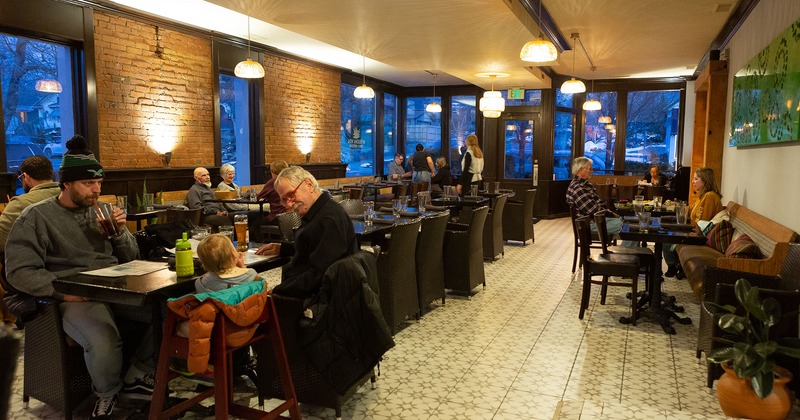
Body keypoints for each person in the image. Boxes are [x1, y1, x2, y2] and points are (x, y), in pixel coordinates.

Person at [4, 135, 151, 419]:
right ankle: (107, 397)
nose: (96, 190)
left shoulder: (104, 210)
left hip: (115, 287)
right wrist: (62, 292)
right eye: (88, 183)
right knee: (103, 337)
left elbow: (131, 257)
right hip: (75, 294)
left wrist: (119, 234)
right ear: (67, 183)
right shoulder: (36, 217)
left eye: (99, 183)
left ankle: (138, 374)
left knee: (169, 311)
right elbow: (19, 272)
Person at [255, 166, 357, 298]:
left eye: (291, 195)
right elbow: (315, 248)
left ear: (309, 185)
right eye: (284, 200)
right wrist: (283, 248)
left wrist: (278, 290)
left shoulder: (327, 219)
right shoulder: (320, 211)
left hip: (318, 300)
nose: (289, 205)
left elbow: (318, 276)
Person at [0, 156, 61, 325]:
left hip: (34, 272)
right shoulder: (67, 196)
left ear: (26, 177)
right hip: (65, 267)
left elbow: (1, 242)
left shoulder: (22, 203)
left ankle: (7, 321)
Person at [664, 167, 723, 279]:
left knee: (666, 238)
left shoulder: (710, 197)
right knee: (667, 233)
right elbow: (691, 210)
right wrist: (677, 205)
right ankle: (677, 266)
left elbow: (703, 221)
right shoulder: (702, 196)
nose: (692, 181)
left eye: (696, 179)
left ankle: (674, 266)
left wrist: (693, 233)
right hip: (696, 231)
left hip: (702, 237)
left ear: (705, 180)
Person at [566, 156, 635, 247]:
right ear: (580, 170)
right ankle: (628, 254)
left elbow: (600, 205)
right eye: (590, 169)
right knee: (630, 228)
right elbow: (594, 210)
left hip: (597, 220)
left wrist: (610, 213)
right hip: (588, 225)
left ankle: (629, 252)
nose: (592, 171)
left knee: (630, 224)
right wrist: (611, 214)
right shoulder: (578, 188)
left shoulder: (586, 185)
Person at [256, 160, 289, 225]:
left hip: (277, 216)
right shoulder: (290, 180)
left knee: (255, 224)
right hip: (291, 216)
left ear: (273, 171)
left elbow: (258, 197)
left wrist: (267, 198)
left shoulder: (273, 182)